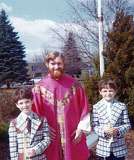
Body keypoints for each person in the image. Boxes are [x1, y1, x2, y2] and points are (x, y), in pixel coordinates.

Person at [32, 51, 91, 160]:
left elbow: (84, 107)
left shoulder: (75, 84)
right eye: (53, 64)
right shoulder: (39, 87)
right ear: (47, 64)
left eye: (59, 63)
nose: (56, 66)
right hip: (50, 137)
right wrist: (43, 129)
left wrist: (81, 128)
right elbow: (34, 112)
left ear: (64, 64)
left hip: (73, 134)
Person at [92, 79, 131, 160]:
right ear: (100, 92)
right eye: (105, 91)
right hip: (103, 148)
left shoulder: (122, 106)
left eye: (110, 91)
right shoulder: (96, 107)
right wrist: (104, 131)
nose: (108, 93)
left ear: (115, 91)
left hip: (119, 147)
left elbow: (127, 125)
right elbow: (95, 125)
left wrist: (117, 130)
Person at [8, 86, 50, 160]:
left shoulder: (42, 120)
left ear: (32, 101)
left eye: (27, 102)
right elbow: (13, 147)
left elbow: (47, 139)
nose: (25, 105)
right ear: (17, 105)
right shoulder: (14, 123)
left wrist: (35, 150)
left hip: (39, 157)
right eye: (21, 103)